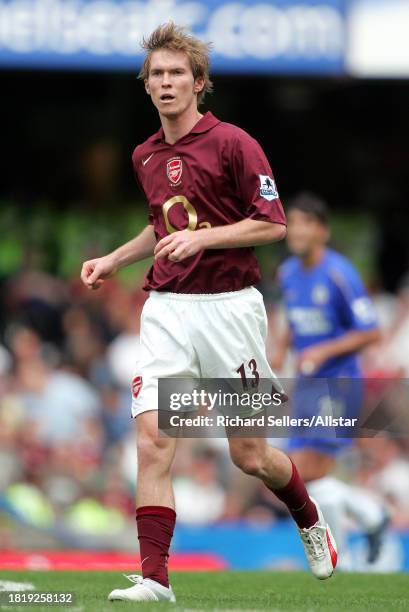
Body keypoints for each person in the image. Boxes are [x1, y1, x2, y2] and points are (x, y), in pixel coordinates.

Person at [80, 24, 337, 604]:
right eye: (156, 75)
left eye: (176, 74)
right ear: (146, 87)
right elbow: (162, 225)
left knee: (248, 455)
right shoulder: (144, 154)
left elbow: (273, 225)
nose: (166, 83)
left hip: (231, 311)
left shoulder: (235, 144)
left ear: (199, 83)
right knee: (152, 440)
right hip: (167, 308)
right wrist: (114, 260)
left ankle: (307, 513)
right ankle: (155, 578)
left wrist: (206, 241)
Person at [272, 193, 389, 567]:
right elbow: (294, 318)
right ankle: (368, 518)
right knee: (292, 474)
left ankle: (343, 556)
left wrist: (324, 351)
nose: (297, 230)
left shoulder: (340, 273)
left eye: (306, 222)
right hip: (307, 384)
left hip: (337, 383)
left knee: (307, 473)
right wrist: (279, 351)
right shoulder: (288, 273)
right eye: (293, 222)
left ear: (322, 230)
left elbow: (371, 331)